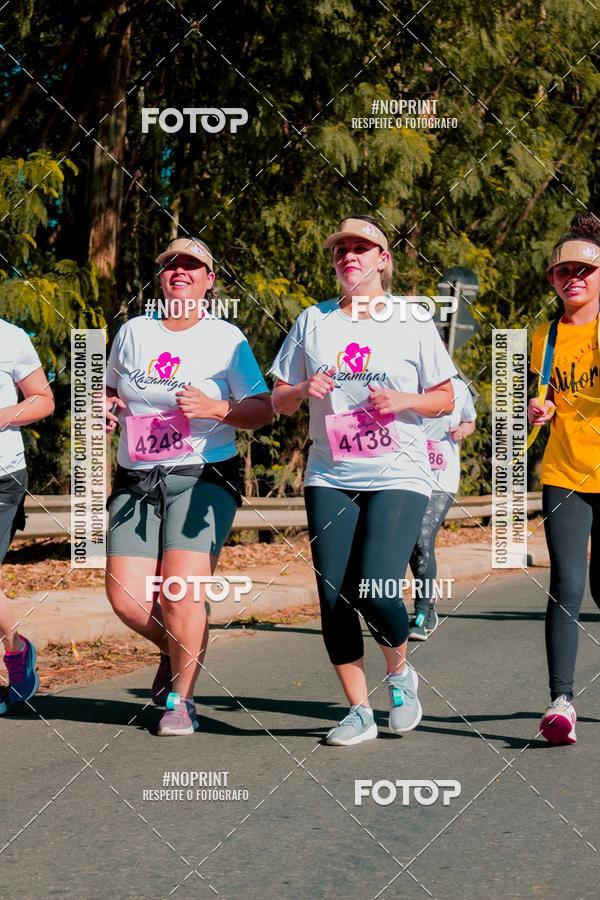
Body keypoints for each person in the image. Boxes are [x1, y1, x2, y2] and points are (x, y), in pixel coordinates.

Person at [271, 215, 456, 746]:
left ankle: (399, 674)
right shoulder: (314, 320)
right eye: (341, 250)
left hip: (399, 470)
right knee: (333, 596)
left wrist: (405, 400)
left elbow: (444, 397)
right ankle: (358, 711)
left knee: (375, 586)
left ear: (383, 260)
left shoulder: (412, 319)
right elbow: (278, 399)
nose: (349, 256)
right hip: (330, 472)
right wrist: (303, 387)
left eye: (361, 248)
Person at [105, 237, 272, 736]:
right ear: (161, 278)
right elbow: (113, 385)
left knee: (179, 594)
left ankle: (181, 699)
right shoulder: (134, 331)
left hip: (204, 476)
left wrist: (217, 408)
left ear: (209, 279)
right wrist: (109, 405)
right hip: (136, 477)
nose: (180, 271)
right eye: (171, 264)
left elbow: (262, 410)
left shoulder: (226, 338)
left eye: (192, 265)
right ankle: (180, 644)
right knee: (127, 599)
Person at [528, 212, 600, 745]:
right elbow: (541, 399)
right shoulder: (544, 337)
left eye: (585, 270)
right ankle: (561, 702)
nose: (573, 279)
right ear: (553, 281)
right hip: (564, 472)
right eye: (563, 272)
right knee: (567, 586)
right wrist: (539, 410)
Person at [0, 321, 55, 715]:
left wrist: (2, 414)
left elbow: (43, 399)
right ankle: (17, 648)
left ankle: (16, 657)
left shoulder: (11, 336)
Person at [408, 375, 477, 640]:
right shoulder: (405, 384)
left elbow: (470, 420)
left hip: (442, 477)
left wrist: (462, 431)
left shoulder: (458, 388)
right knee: (408, 543)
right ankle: (429, 596)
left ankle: (423, 612)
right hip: (408, 474)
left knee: (422, 538)